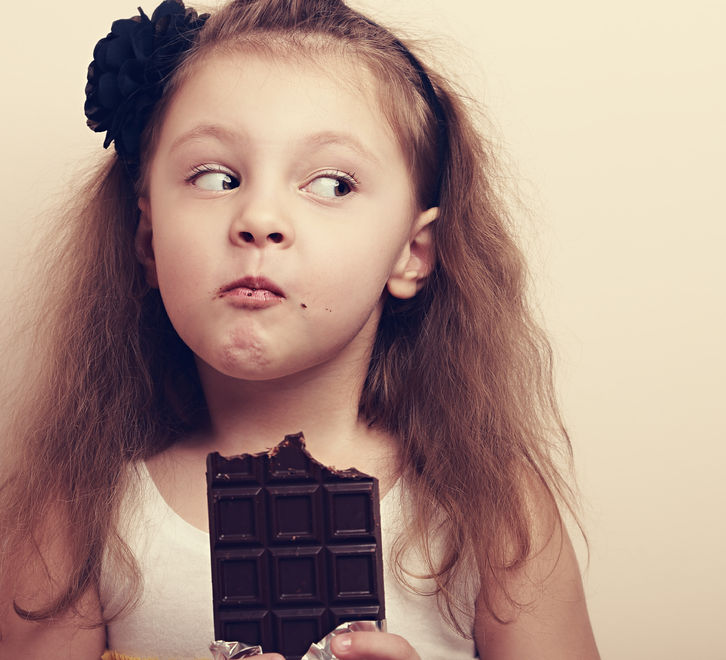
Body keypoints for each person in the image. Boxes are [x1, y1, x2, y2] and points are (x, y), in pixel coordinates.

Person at [0, 0, 600, 658]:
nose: (259, 216)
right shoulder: (79, 516)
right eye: (215, 176)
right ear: (147, 238)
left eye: (333, 184)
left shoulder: (491, 512)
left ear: (413, 252)